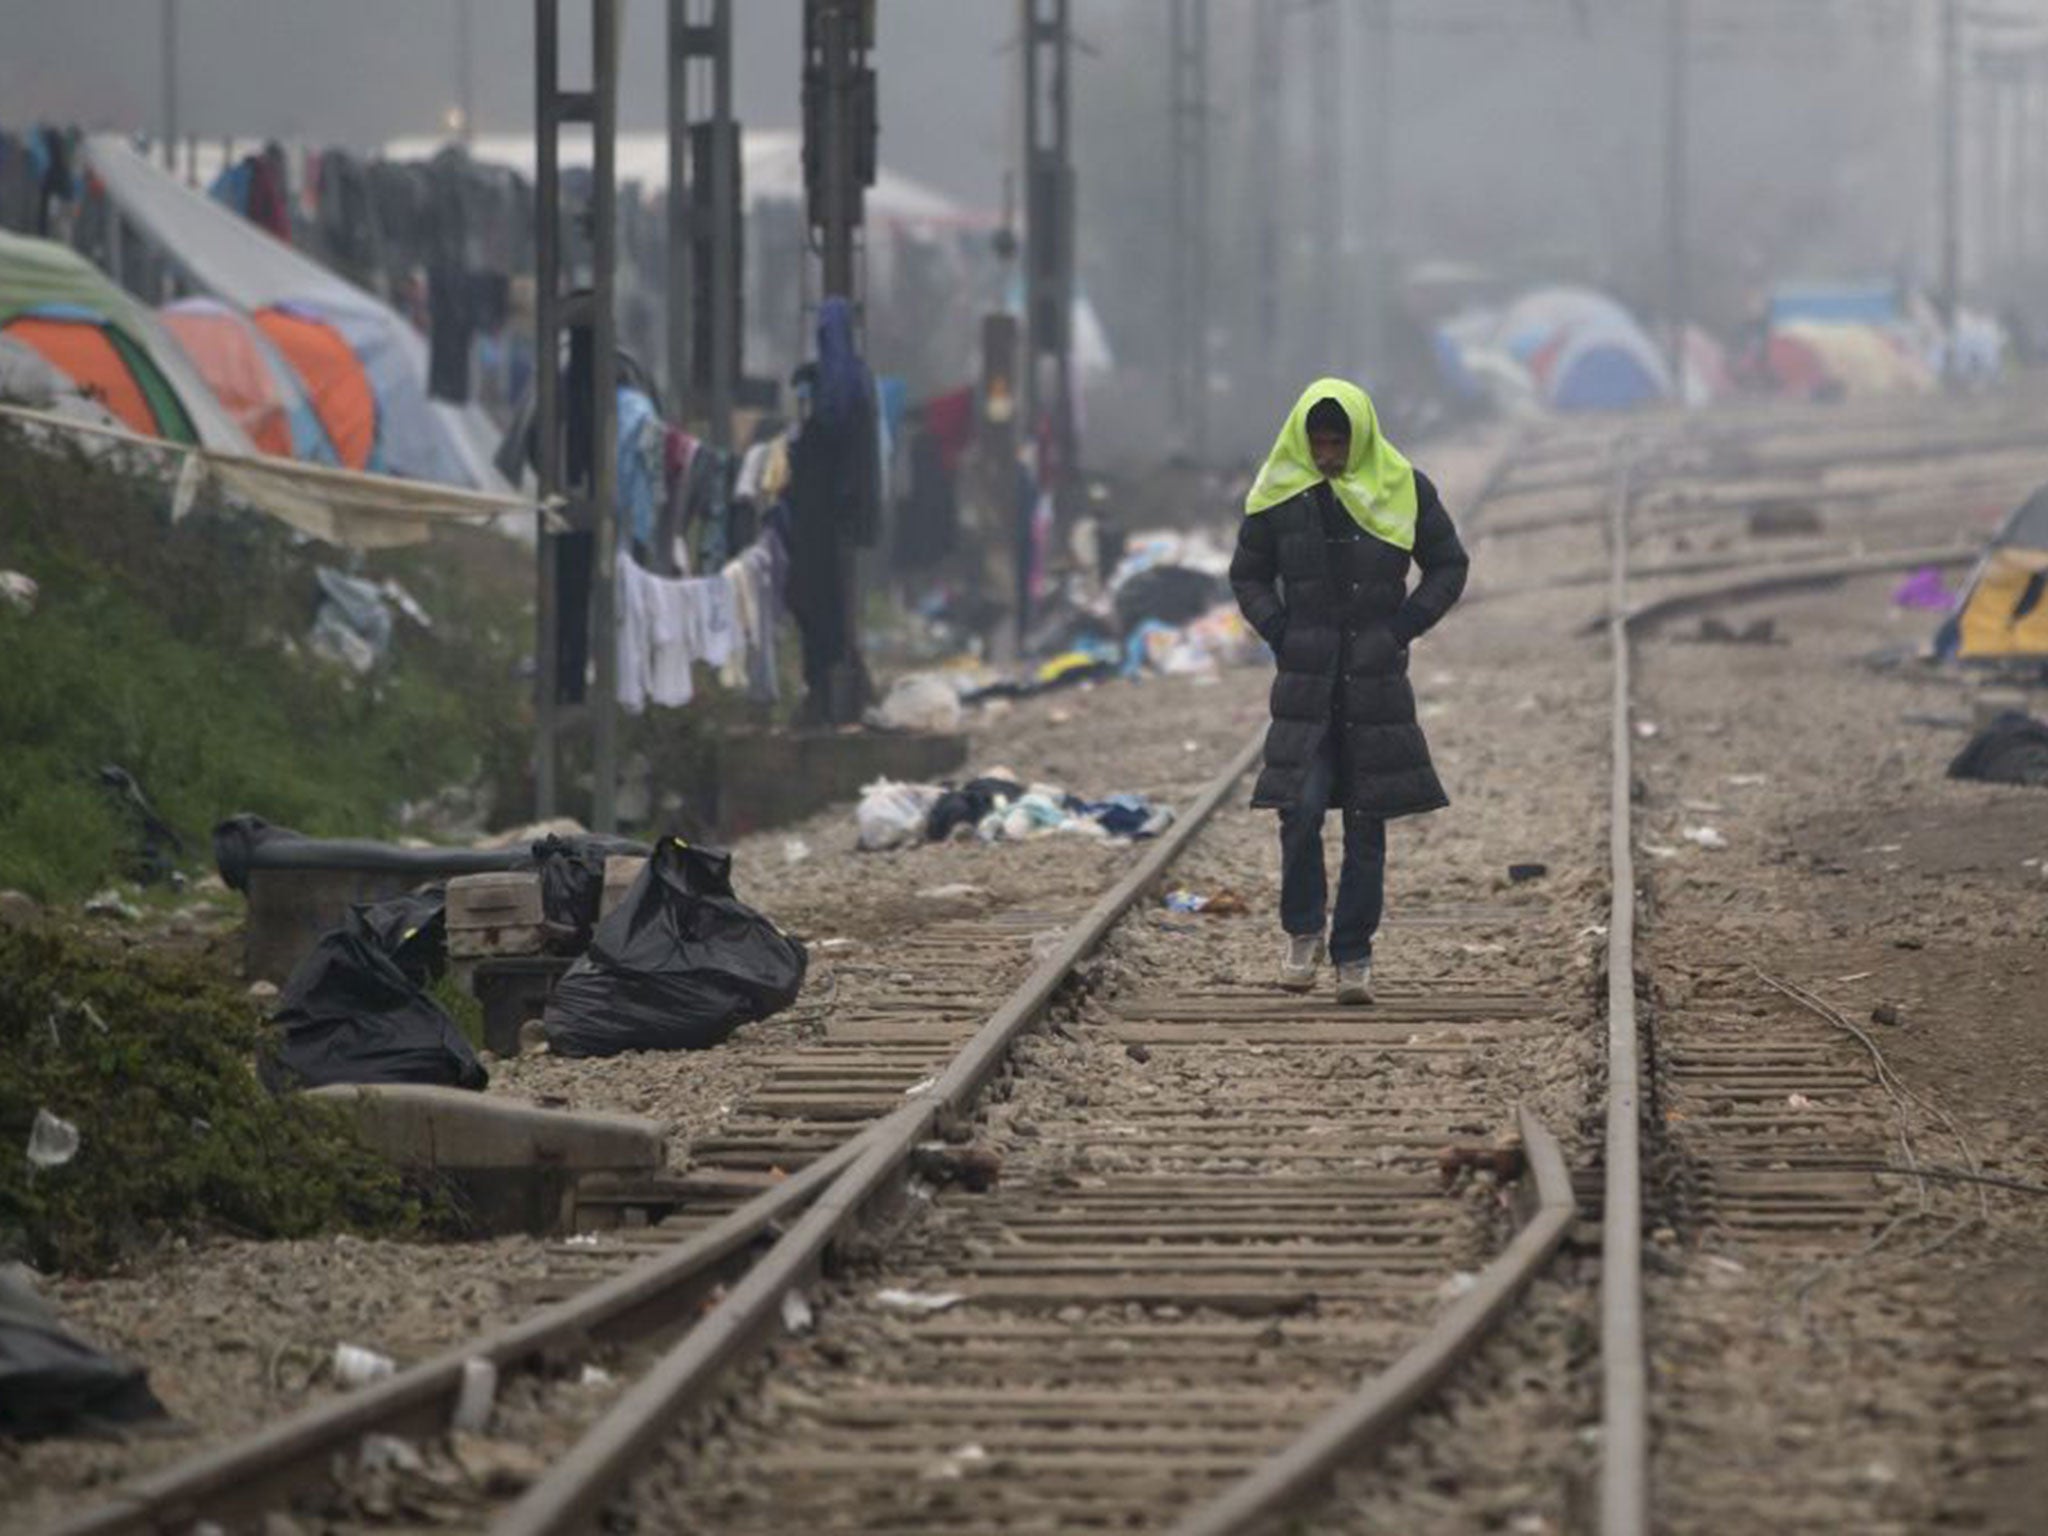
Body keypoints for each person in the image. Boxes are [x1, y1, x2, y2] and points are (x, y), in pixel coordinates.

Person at [1230, 378, 1468, 1003]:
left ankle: (1354, 955)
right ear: (1303, 439)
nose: (1329, 453)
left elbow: (1449, 563)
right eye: (1320, 442)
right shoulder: (1281, 493)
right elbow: (1247, 573)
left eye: (1339, 441)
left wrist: (1402, 628)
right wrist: (1279, 628)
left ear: (1359, 436)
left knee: (1368, 822)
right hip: (1305, 684)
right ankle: (1303, 933)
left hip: (1375, 684)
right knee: (1300, 810)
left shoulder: (1404, 488)